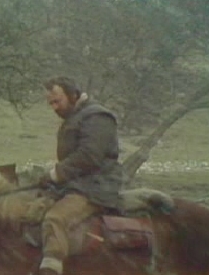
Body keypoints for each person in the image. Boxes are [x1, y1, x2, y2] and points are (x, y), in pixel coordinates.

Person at [37, 76, 125, 275]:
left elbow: (89, 156)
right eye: (50, 103)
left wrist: (56, 174)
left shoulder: (97, 117)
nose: (54, 107)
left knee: (56, 218)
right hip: (77, 185)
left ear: (73, 95)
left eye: (57, 101)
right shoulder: (75, 118)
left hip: (96, 187)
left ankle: (51, 269)